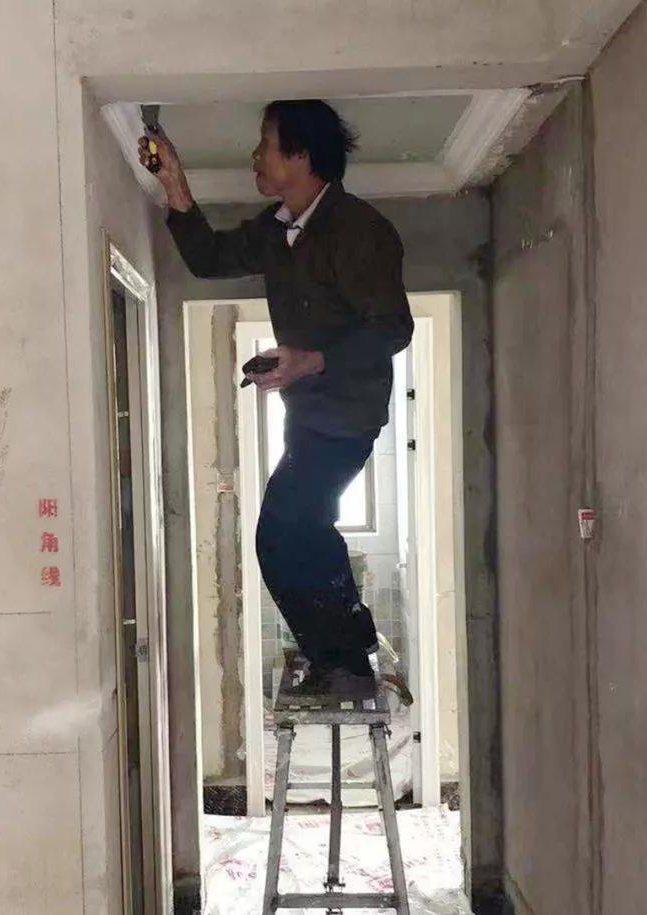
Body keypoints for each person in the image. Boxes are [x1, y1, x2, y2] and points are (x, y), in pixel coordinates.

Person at [141, 100, 413, 700]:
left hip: (345, 416)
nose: (255, 157)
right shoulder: (276, 229)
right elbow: (209, 259)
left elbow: (393, 328)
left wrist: (308, 360)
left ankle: (345, 662)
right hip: (309, 414)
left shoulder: (359, 230)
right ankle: (345, 654)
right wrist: (174, 183)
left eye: (266, 144)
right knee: (301, 528)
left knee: (284, 532)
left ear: (302, 155)